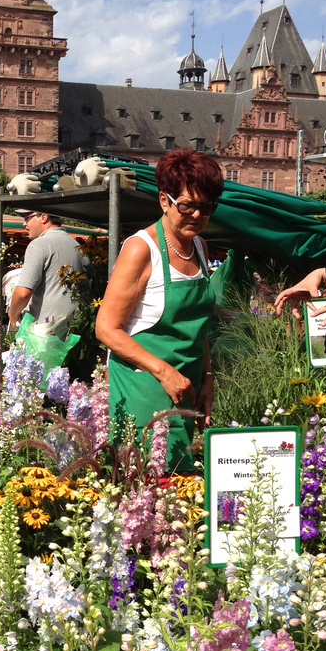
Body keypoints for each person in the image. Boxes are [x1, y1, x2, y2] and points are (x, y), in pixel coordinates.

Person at [95, 147, 223, 471]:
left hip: (186, 388)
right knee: (146, 494)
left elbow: (198, 326)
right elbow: (106, 328)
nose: (196, 215)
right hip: (145, 390)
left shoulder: (199, 246)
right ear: (164, 201)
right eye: (187, 206)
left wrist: (207, 376)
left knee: (181, 500)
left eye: (206, 207)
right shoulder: (142, 248)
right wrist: (165, 372)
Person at [8, 210, 83, 336]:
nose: (24, 224)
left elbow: (23, 293)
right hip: (75, 330)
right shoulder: (77, 246)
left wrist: (13, 313)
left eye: (27, 218)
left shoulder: (39, 245)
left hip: (45, 333)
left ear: (43, 217)